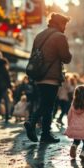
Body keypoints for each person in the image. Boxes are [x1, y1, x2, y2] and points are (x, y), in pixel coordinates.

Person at [24, 12, 72, 143]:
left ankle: (45, 133)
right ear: (59, 23)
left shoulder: (39, 35)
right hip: (51, 76)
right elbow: (66, 58)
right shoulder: (60, 36)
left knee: (46, 104)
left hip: (39, 75)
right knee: (48, 105)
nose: (65, 27)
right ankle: (33, 123)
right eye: (64, 24)